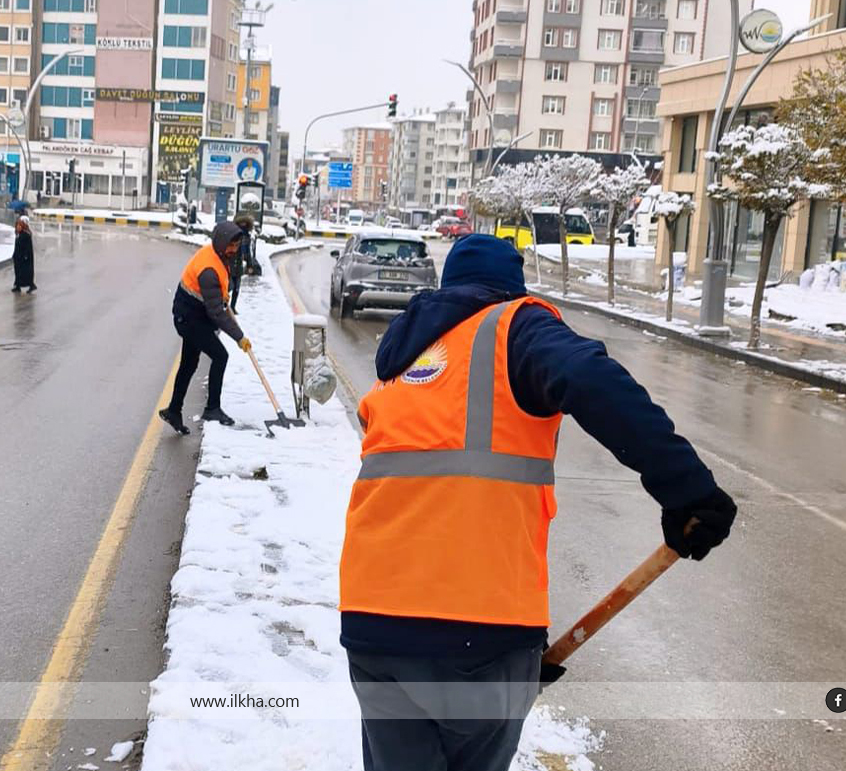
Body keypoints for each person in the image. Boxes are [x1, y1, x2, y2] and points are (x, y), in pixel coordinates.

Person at [340, 233, 737, 771]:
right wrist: (686, 489)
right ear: (511, 286)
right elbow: (588, 375)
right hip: (475, 637)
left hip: (373, 630)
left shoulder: (405, 365)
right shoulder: (514, 325)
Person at [159, 222, 252, 433]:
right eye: (232, 245)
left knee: (189, 364)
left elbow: (217, 301)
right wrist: (239, 337)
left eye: (237, 245)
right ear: (221, 243)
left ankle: (173, 410)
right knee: (220, 356)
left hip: (191, 315)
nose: (234, 250)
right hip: (190, 318)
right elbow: (216, 312)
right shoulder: (209, 269)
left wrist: (223, 300)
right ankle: (212, 408)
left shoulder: (217, 254)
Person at [12, 215, 36, 293]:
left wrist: (26, 255)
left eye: (19, 226)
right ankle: (17, 285)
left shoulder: (26, 235)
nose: (18, 227)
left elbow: (28, 247)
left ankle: (31, 285)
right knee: (18, 271)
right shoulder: (18, 235)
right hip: (18, 257)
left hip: (24, 257)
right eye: (17, 226)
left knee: (26, 272)